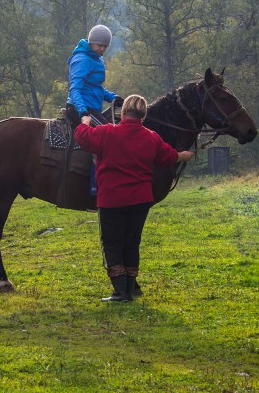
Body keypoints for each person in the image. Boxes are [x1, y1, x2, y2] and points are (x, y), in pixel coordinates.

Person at [74, 94, 195, 302]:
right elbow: (169, 156)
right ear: (143, 115)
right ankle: (129, 290)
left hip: (112, 200)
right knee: (132, 243)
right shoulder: (151, 137)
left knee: (112, 243)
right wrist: (184, 155)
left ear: (122, 113)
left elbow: (83, 137)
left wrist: (84, 122)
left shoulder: (106, 133)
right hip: (140, 200)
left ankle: (119, 292)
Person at [66, 24, 123, 126]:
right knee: (106, 135)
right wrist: (83, 112)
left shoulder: (96, 58)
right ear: (91, 42)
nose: (102, 49)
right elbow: (75, 89)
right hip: (79, 108)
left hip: (92, 108)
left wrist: (113, 98)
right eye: (99, 45)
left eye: (105, 46)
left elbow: (95, 87)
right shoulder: (82, 59)